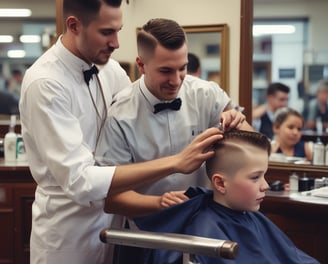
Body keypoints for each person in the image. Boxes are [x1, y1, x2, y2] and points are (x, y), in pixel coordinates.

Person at [19, 1, 222, 263]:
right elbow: (80, 181)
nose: (116, 43)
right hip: (68, 232)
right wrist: (175, 162)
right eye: (106, 32)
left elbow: (137, 124)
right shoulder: (44, 84)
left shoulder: (112, 70)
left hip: (118, 229)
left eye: (118, 30)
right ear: (73, 25)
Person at [96, 17, 253, 216]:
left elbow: (253, 147)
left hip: (208, 226)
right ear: (141, 65)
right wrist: (159, 203)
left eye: (182, 68)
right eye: (166, 71)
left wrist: (240, 126)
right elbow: (110, 199)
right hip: (148, 233)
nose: (176, 80)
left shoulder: (207, 94)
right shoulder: (119, 116)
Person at [134, 129, 320, 264]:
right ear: (221, 183)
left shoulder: (252, 217)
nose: (266, 185)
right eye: (255, 177)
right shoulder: (205, 229)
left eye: (264, 175)